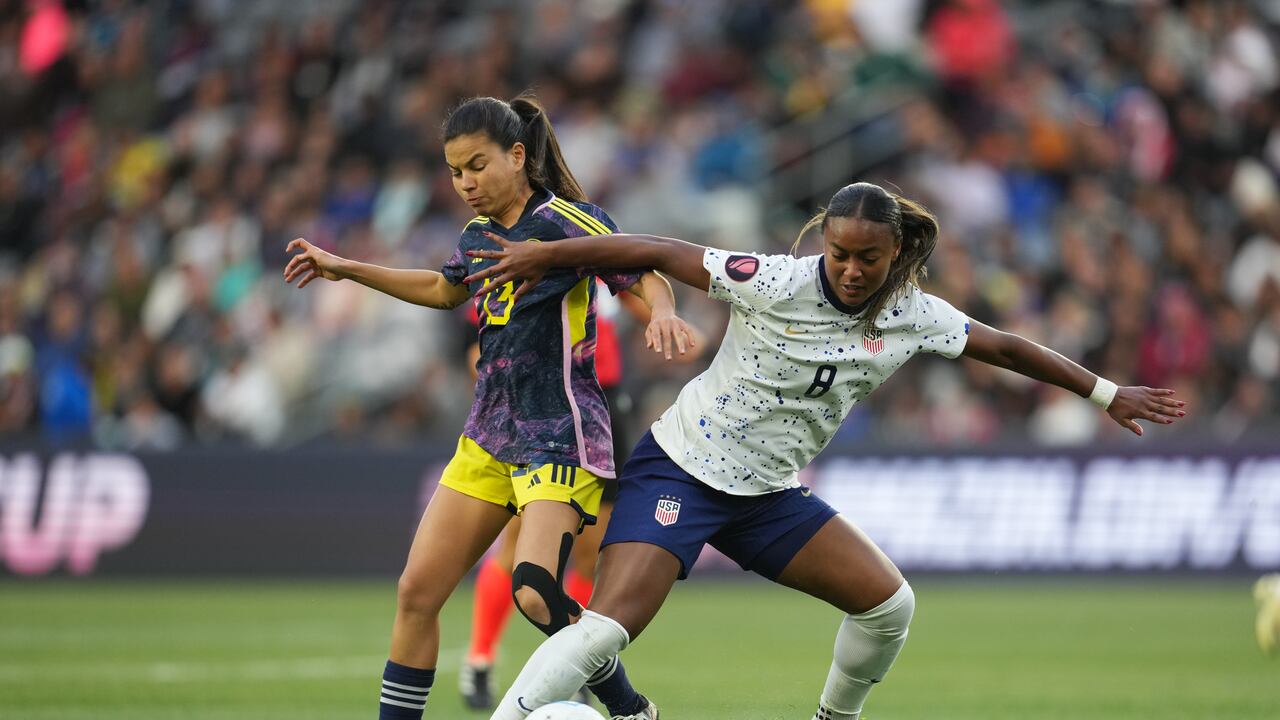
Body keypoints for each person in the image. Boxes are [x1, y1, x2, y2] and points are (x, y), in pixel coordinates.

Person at [462, 181, 1188, 720]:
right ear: (823, 243)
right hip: (680, 470)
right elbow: (655, 249)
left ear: (895, 252)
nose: (848, 269)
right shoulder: (773, 280)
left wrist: (1104, 392)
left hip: (768, 496)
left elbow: (1003, 346)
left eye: (867, 257)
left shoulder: (914, 315)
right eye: (839, 252)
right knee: (607, 633)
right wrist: (549, 255)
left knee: (889, 607)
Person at [284, 94, 693, 720]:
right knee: (417, 593)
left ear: (518, 155)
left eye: (477, 165)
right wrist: (344, 268)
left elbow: (639, 270)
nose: (465, 183)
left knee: (534, 592)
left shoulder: (567, 221)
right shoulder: (477, 236)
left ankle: (630, 708)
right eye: (454, 171)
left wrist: (662, 313)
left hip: (559, 432)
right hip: (488, 435)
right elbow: (446, 289)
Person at [459, 288, 701, 711]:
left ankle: (578, 666)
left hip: (604, 408)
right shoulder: (529, 256)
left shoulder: (600, 256)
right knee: (519, 549)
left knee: (590, 553)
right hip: (543, 406)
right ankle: (480, 659)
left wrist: (666, 318)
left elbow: (639, 290)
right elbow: (473, 341)